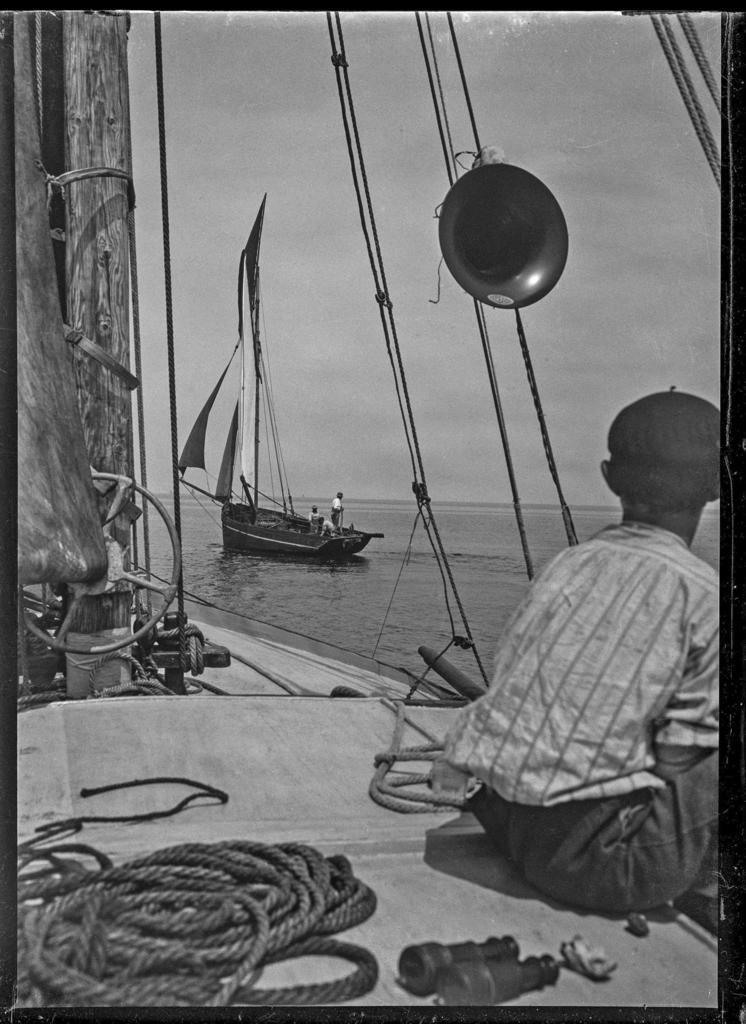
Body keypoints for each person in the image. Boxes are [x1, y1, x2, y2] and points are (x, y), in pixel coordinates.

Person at [431, 390, 719, 933]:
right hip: (603, 869)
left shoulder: (563, 567)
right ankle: (705, 885)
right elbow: (682, 759)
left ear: (609, 477)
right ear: (717, 485)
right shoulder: (704, 596)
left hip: (501, 823)